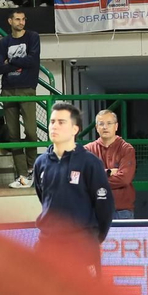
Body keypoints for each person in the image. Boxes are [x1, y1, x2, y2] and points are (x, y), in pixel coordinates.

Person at [32, 101, 114, 262]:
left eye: (61, 122)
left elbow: (105, 206)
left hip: (82, 247)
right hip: (47, 245)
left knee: (85, 288)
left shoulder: (90, 163)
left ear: (74, 129)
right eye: (52, 121)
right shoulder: (40, 163)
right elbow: (43, 198)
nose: (54, 126)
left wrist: (92, 239)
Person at [0, 10, 40, 187]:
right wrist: (19, 61)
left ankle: (32, 169)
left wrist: (11, 61)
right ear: (10, 21)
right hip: (8, 90)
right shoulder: (4, 42)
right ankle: (21, 174)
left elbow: (32, 61)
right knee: (13, 134)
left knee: (31, 132)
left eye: (23, 19)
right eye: (17, 19)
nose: (21, 22)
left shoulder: (32, 37)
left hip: (27, 88)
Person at [86, 109, 137, 219]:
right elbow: (83, 178)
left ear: (116, 126)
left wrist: (95, 178)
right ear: (96, 127)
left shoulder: (126, 149)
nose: (105, 127)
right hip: (95, 211)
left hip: (122, 212)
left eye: (109, 123)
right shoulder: (88, 150)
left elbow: (124, 179)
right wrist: (108, 172)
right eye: (101, 124)